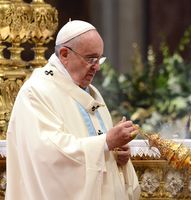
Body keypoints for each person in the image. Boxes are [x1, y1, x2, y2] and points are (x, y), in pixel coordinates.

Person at [5, 20, 141, 200]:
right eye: (91, 58)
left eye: (99, 59)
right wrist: (105, 142)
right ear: (64, 54)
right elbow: (49, 157)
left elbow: (100, 154)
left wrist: (117, 158)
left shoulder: (91, 93)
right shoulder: (36, 92)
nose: (97, 66)